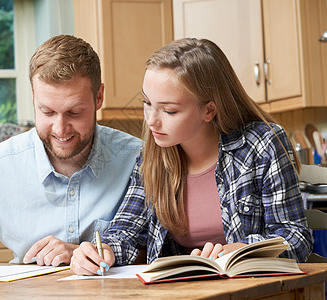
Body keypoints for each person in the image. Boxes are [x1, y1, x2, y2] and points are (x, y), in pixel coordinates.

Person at [70, 38, 313, 276]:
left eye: (169, 110)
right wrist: (101, 250)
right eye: (147, 103)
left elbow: (295, 237)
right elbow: (126, 230)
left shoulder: (261, 144)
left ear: (208, 110)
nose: (151, 120)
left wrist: (242, 251)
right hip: (181, 290)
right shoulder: (152, 157)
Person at [0, 35, 142, 270]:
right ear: (33, 97)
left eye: (75, 112)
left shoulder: (137, 160)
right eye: (47, 112)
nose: (61, 129)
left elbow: (157, 250)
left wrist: (93, 253)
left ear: (99, 97)